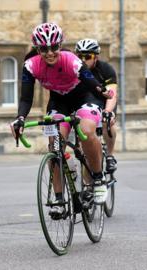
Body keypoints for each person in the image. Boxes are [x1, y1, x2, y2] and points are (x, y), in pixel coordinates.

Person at [10, 22, 113, 217]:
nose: (49, 53)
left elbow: (91, 81)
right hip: (59, 100)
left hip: (84, 97)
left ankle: (98, 178)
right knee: (55, 143)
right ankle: (58, 198)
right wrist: (20, 119)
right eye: (43, 49)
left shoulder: (71, 60)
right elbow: (26, 98)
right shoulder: (31, 65)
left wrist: (103, 92)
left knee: (88, 132)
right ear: (37, 48)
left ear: (60, 45)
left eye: (54, 47)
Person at [75, 38, 118, 172]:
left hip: (103, 102)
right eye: (79, 56)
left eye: (87, 56)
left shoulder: (106, 69)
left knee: (108, 121)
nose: (83, 60)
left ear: (96, 57)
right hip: (83, 104)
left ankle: (110, 155)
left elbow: (112, 94)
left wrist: (108, 110)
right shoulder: (74, 69)